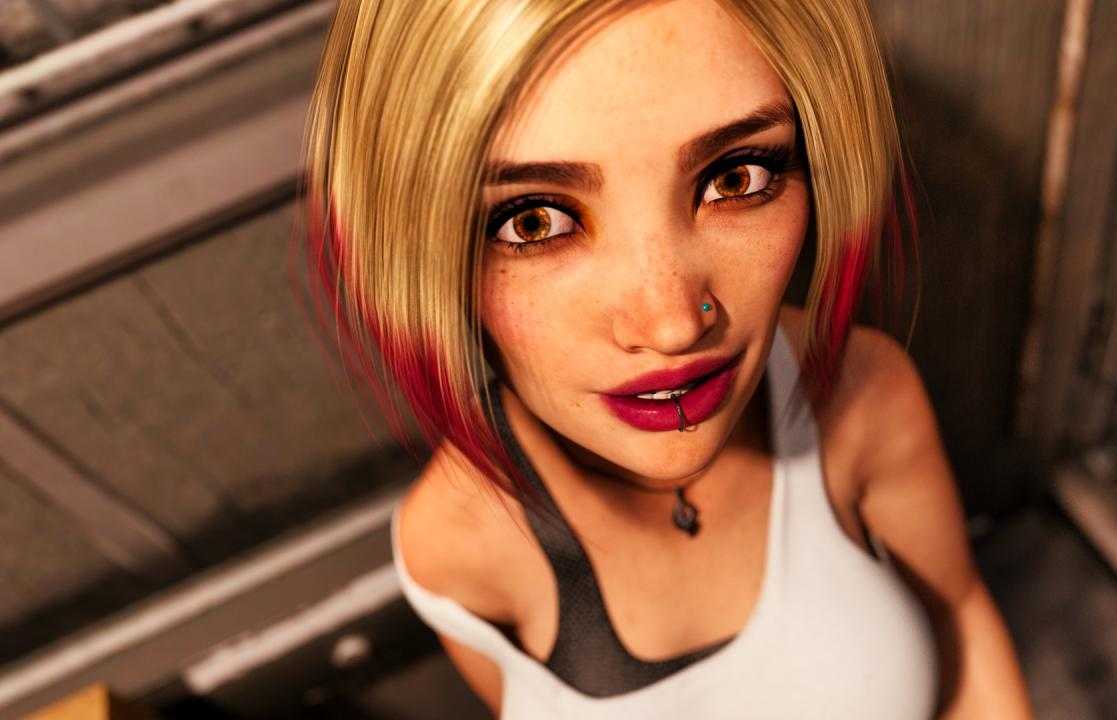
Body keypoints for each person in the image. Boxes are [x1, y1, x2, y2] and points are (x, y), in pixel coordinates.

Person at [303, 0, 1034, 716]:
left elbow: (963, 624)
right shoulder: (457, 547)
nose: (675, 325)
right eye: (533, 221)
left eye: (736, 177)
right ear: (419, 243)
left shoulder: (861, 396)